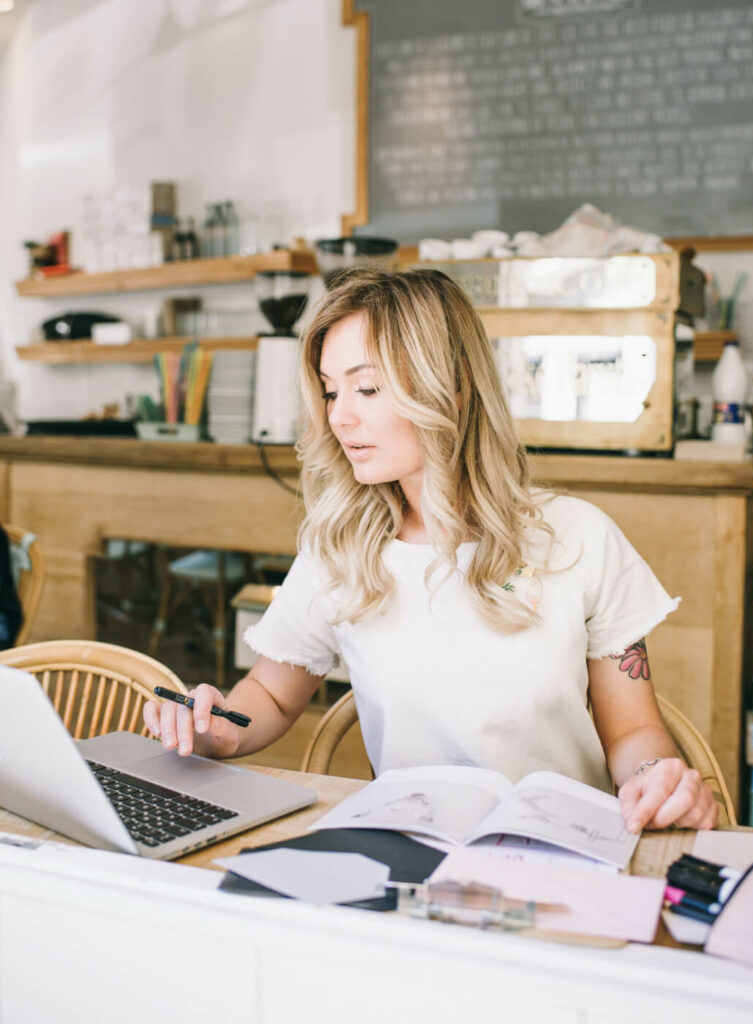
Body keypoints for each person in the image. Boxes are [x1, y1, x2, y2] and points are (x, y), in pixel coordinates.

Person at [143, 267, 718, 833]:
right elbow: (270, 694)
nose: (338, 415)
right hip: (409, 852)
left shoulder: (579, 538)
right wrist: (220, 728)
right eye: (330, 390)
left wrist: (654, 779)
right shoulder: (341, 548)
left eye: (368, 388)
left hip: (562, 850)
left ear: (454, 384)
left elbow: (633, 732)